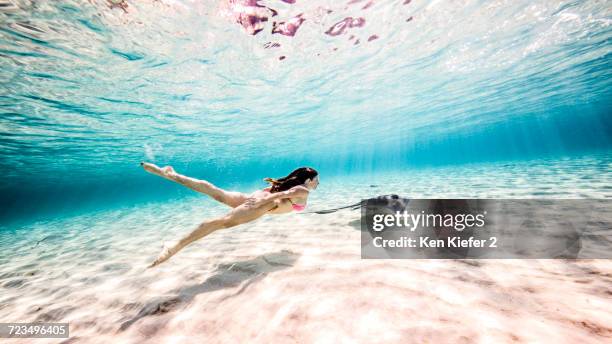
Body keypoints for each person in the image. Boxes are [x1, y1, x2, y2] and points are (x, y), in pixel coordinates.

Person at [140, 162, 319, 267]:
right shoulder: (303, 190)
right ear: (309, 180)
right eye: (316, 180)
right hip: (265, 204)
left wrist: (261, 199)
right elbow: (282, 195)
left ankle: (171, 174)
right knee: (222, 222)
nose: (318, 183)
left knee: (217, 192)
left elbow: (281, 192)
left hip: (259, 197)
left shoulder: (290, 185)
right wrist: (262, 203)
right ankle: (173, 247)